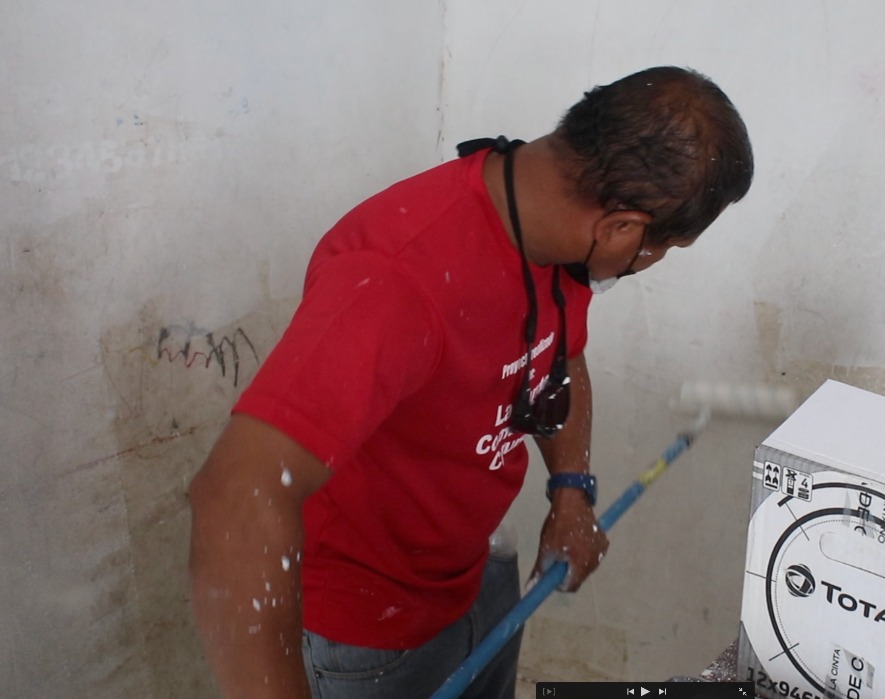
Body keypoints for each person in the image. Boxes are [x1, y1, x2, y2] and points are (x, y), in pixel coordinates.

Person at [188, 65, 753, 699]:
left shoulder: (551, 231)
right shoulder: (397, 276)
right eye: (662, 249)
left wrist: (571, 492)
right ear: (620, 227)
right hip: (370, 635)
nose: (649, 264)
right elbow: (234, 497)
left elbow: (561, 354)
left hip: (481, 576)